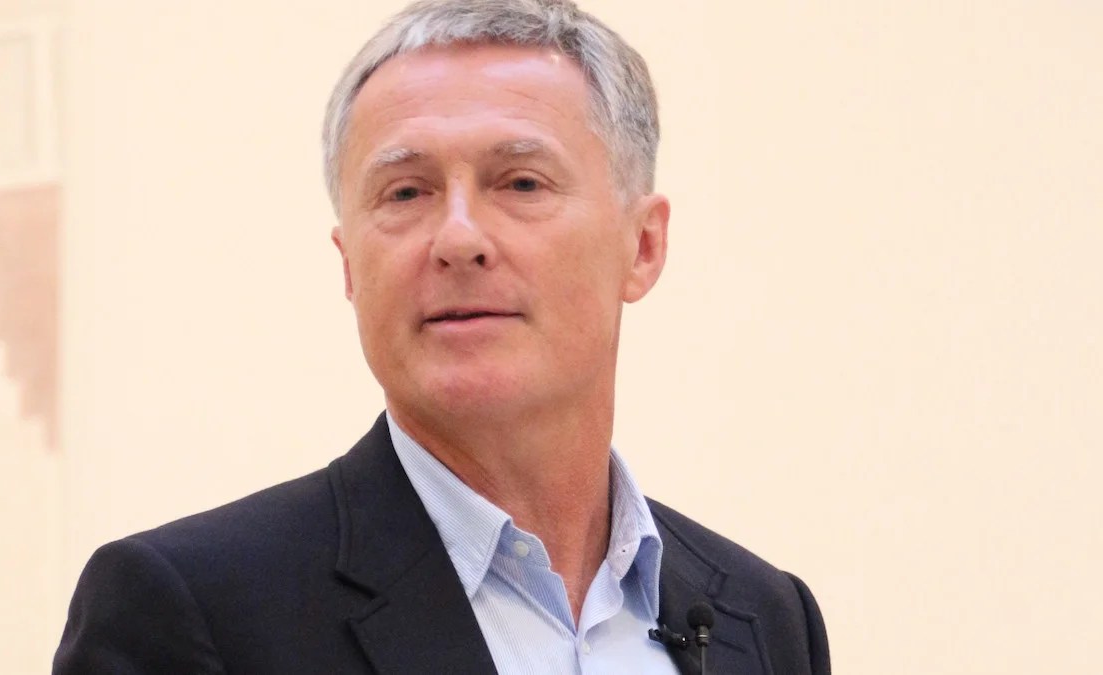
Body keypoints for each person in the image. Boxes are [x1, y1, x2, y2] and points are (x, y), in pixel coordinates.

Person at [53, 1, 830, 673]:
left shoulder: (761, 617)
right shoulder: (194, 610)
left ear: (643, 245)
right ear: (350, 264)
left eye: (521, 182)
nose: (458, 237)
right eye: (406, 192)